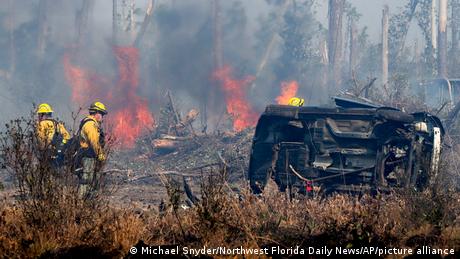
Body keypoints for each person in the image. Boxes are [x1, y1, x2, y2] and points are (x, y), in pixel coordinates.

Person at [75, 101, 108, 198]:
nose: (102, 117)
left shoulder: (91, 123)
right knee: (86, 180)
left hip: (90, 156)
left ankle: (88, 202)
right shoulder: (90, 124)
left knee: (92, 180)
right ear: (96, 113)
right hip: (88, 156)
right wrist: (100, 155)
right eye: (101, 114)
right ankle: (80, 201)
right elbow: (94, 141)